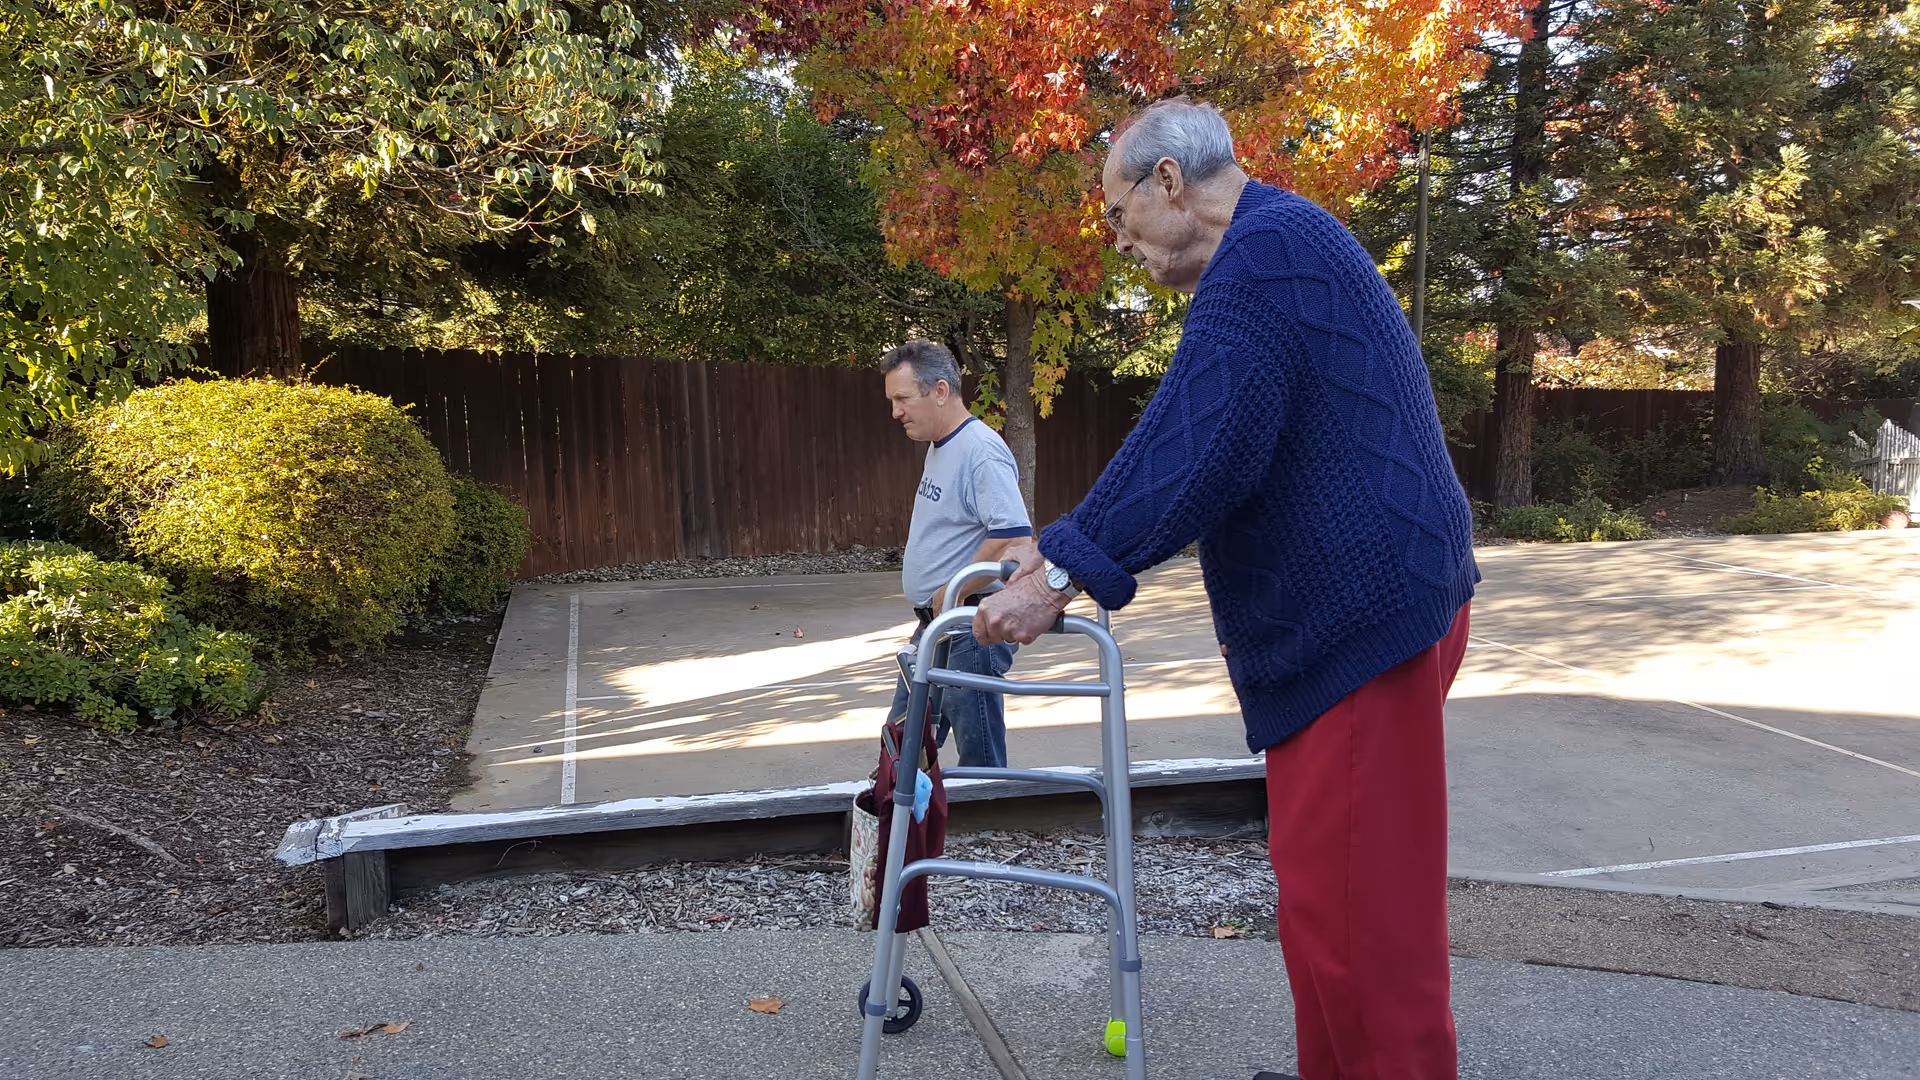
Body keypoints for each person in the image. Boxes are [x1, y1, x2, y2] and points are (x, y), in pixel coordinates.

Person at [973, 98, 1479, 1080]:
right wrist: (1065, 555)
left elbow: (1195, 443)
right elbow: (1225, 445)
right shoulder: (1275, 245)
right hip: (1361, 620)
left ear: (1168, 182)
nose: (1120, 241)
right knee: (1327, 907)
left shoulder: (1263, 259)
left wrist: (1060, 573)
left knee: (1368, 936)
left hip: (1363, 630)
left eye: (1118, 214)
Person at [883, 339, 1031, 769]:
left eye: (902, 399)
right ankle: (906, 808)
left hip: (970, 625)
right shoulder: (941, 447)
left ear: (941, 391)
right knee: (902, 746)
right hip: (941, 624)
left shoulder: (979, 451)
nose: (895, 411)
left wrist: (952, 589)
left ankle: (990, 810)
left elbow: (1012, 535)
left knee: (978, 757)